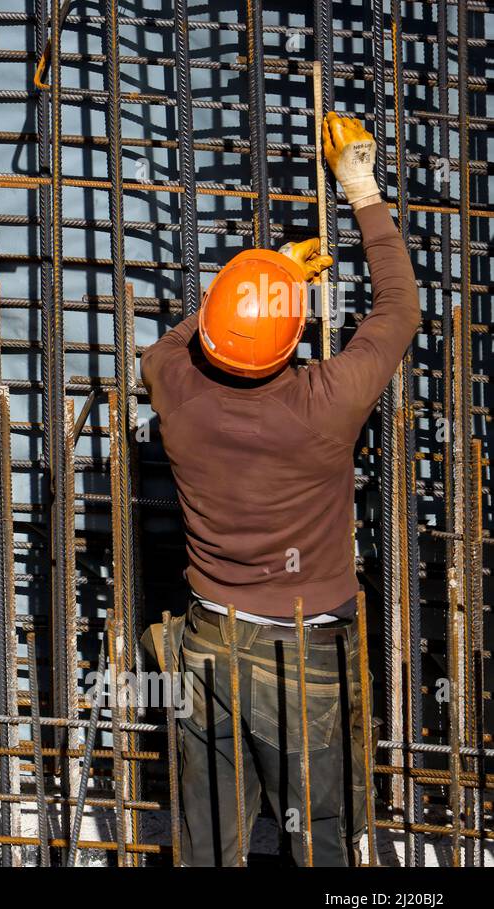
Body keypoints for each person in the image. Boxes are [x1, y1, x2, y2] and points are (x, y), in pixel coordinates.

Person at [140, 113, 420, 866]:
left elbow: (182, 339)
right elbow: (398, 311)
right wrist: (359, 186)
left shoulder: (172, 382)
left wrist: (262, 281)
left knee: (206, 841)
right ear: (293, 341)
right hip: (303, 654)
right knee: (320, 838)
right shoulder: (323, 404)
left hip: (206, 644)